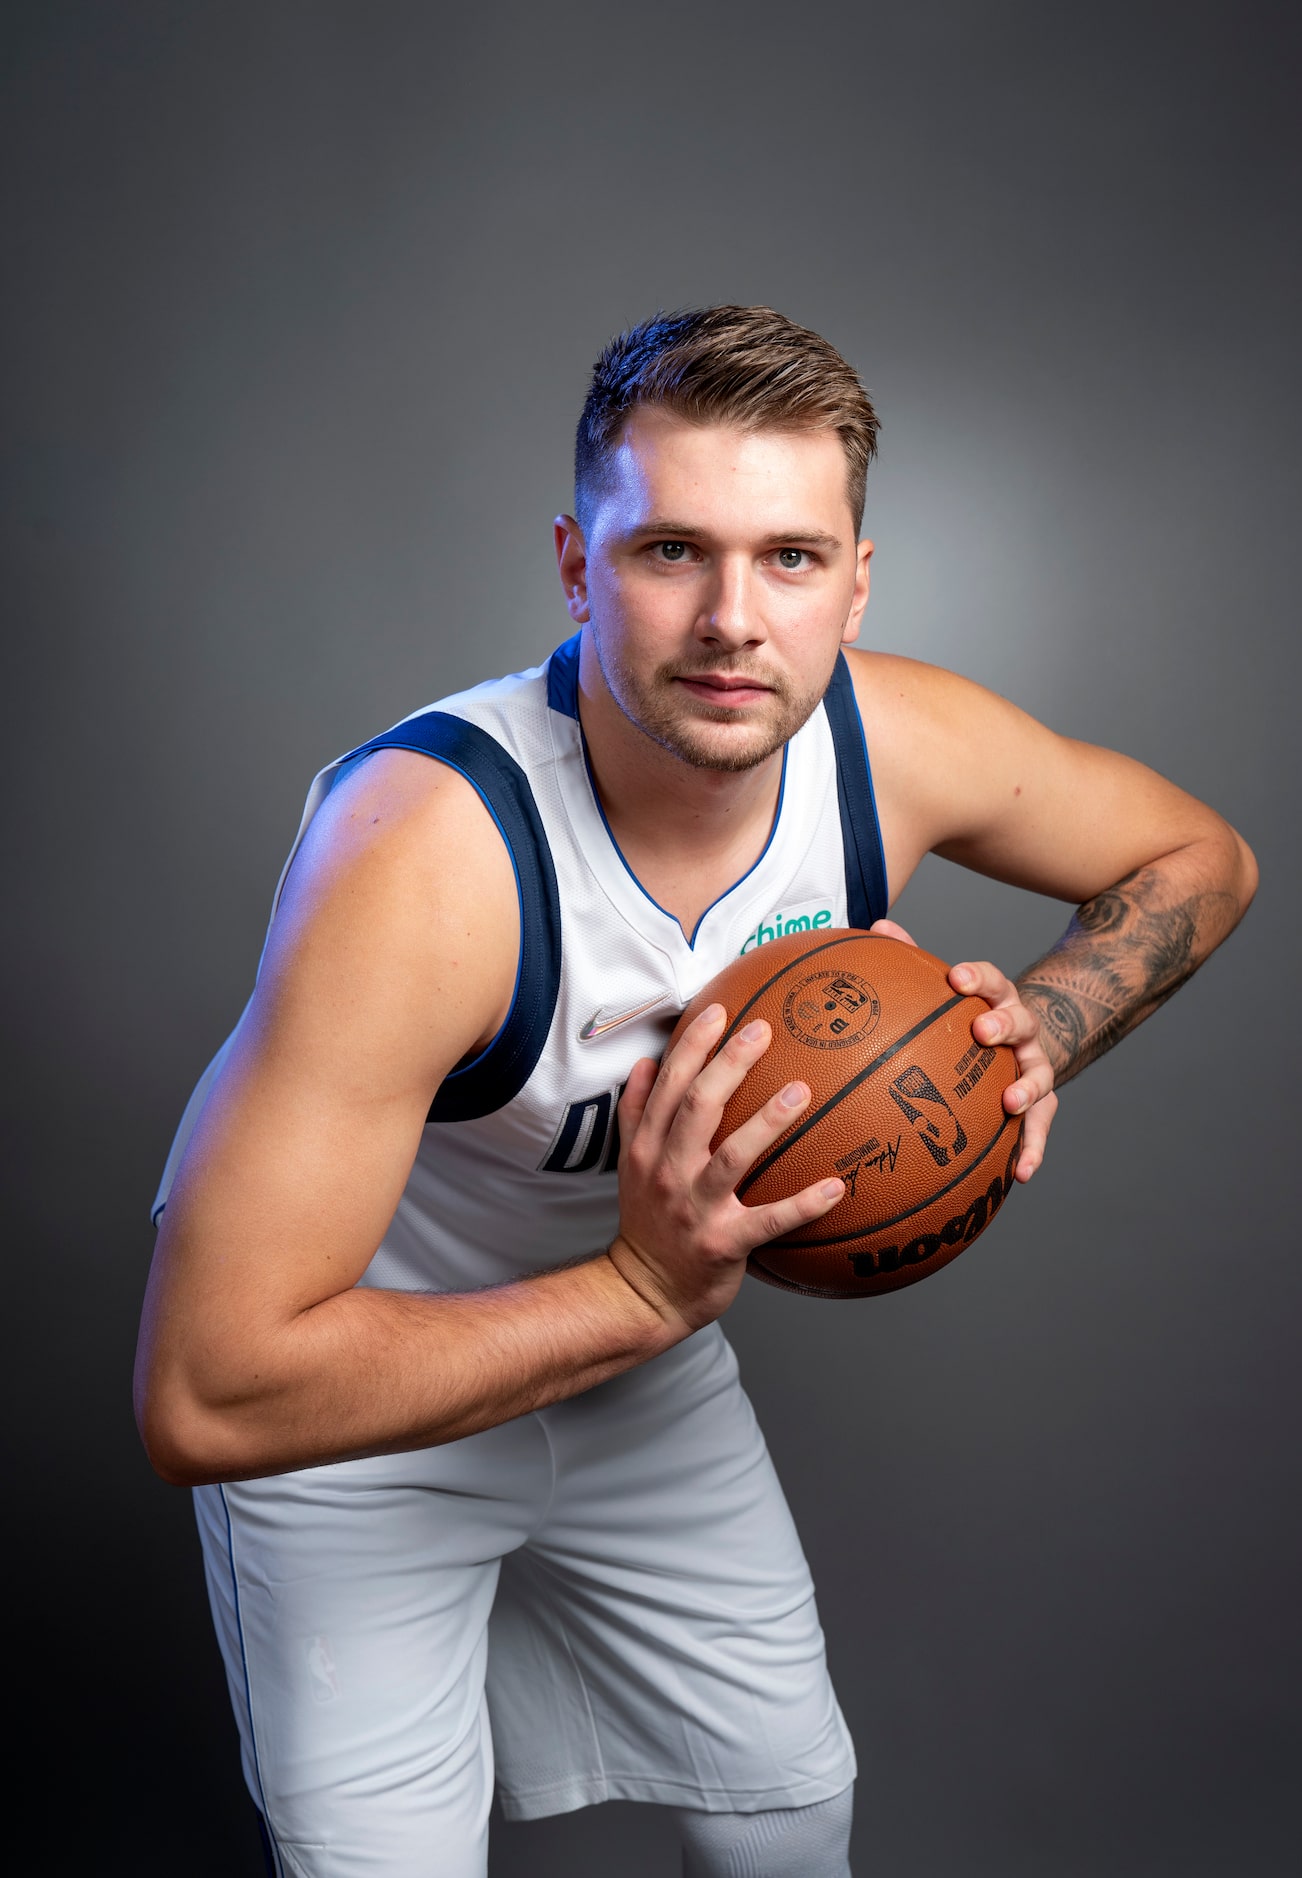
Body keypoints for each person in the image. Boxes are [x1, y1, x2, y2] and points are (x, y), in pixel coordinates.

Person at [134, 305, 1257, 1878]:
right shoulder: (425, 860)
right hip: (356, 1407)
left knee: (789, 1813)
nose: (736, 618)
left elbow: (1202, 852)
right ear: (577, 567)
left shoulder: (896, 742)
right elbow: (207, 1391)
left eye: (792, 558)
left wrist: (1044, 1028)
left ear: (855, 584)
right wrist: (643, 1285)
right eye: (672, 551)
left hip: (636, 1373)